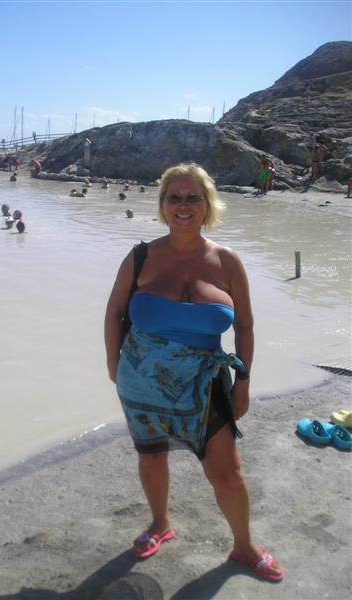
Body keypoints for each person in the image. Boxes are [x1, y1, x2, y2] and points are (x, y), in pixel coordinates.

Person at [104, 162, 284, 582]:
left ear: (208, 204)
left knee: (227, 472)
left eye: (192, 197)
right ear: (163, 204)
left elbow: (245, 326)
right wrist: (114, 366)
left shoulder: (226, 260)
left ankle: (244, 546)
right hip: (140, 381)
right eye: (174, 197)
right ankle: (159, 523)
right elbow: (113, 313)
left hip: (206, 383)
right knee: (151, 457)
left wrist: (243, 383)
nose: (183, 205)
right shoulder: (140, 257)